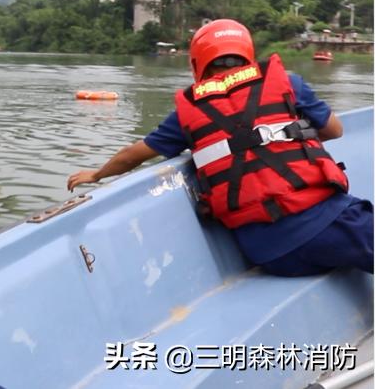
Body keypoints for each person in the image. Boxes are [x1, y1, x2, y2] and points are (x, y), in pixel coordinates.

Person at [67, 19, 372, 277]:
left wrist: (96, 174)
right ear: (248, 54)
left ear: (197, 63)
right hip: (325, 228)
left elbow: (132, 154)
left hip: (270, 255)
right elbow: (334, 130)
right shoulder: (288, 83)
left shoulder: (188, 111)